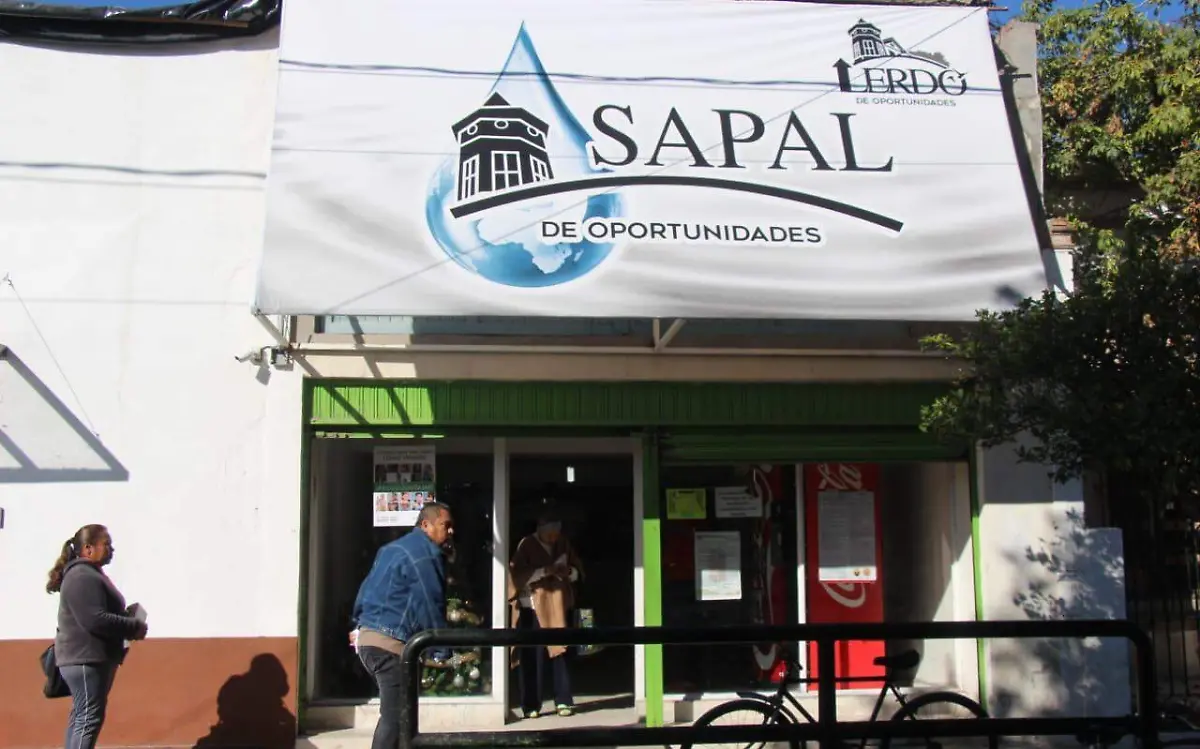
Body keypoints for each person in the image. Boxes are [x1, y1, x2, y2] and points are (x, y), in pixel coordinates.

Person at [349, 502, 454, 749]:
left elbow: (365, 590)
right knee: (396, 718)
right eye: (445, 525)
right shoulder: (425, 554)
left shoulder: (390, 549)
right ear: (425, 525)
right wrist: (442, 649)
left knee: (401, 719)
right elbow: (430, 602)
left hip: (371, 640)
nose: (451, 531)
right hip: (391, 644)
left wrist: (358, 624)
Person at [46, 524, 149, 749]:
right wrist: (132, 626)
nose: (111, 549)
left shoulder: (85, 574)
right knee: (88, 719)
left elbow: (94, 614)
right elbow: (94, 619)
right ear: (88, 548)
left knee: (82, 716)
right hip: (86, 659)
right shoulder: (82, 576)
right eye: (106, 544)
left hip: (85, 657)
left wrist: (124, 618)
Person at [508, 510, 583, 719]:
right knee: (532, 657)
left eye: (556, 534)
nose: (553, 538)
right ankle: (530, 705)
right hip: (531, 607)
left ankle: (564, 700)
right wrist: (545, 571)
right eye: (549, 534)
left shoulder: (563, 543)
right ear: (540, 530)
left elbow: (577, 569)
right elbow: (517, 576)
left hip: (558, 606)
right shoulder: (526, 545)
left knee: (561, 653)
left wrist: (569, 572)